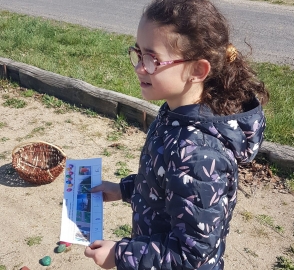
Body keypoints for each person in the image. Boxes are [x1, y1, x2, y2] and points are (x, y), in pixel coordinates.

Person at [84, 0, 269, 269]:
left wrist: (121, 254)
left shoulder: (200, 155)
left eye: (152, 59)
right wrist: (123, 189)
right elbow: (163, 180)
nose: (139, 67)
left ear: (197, 70)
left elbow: (192, 256)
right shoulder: (176, 113)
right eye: (138, 53)